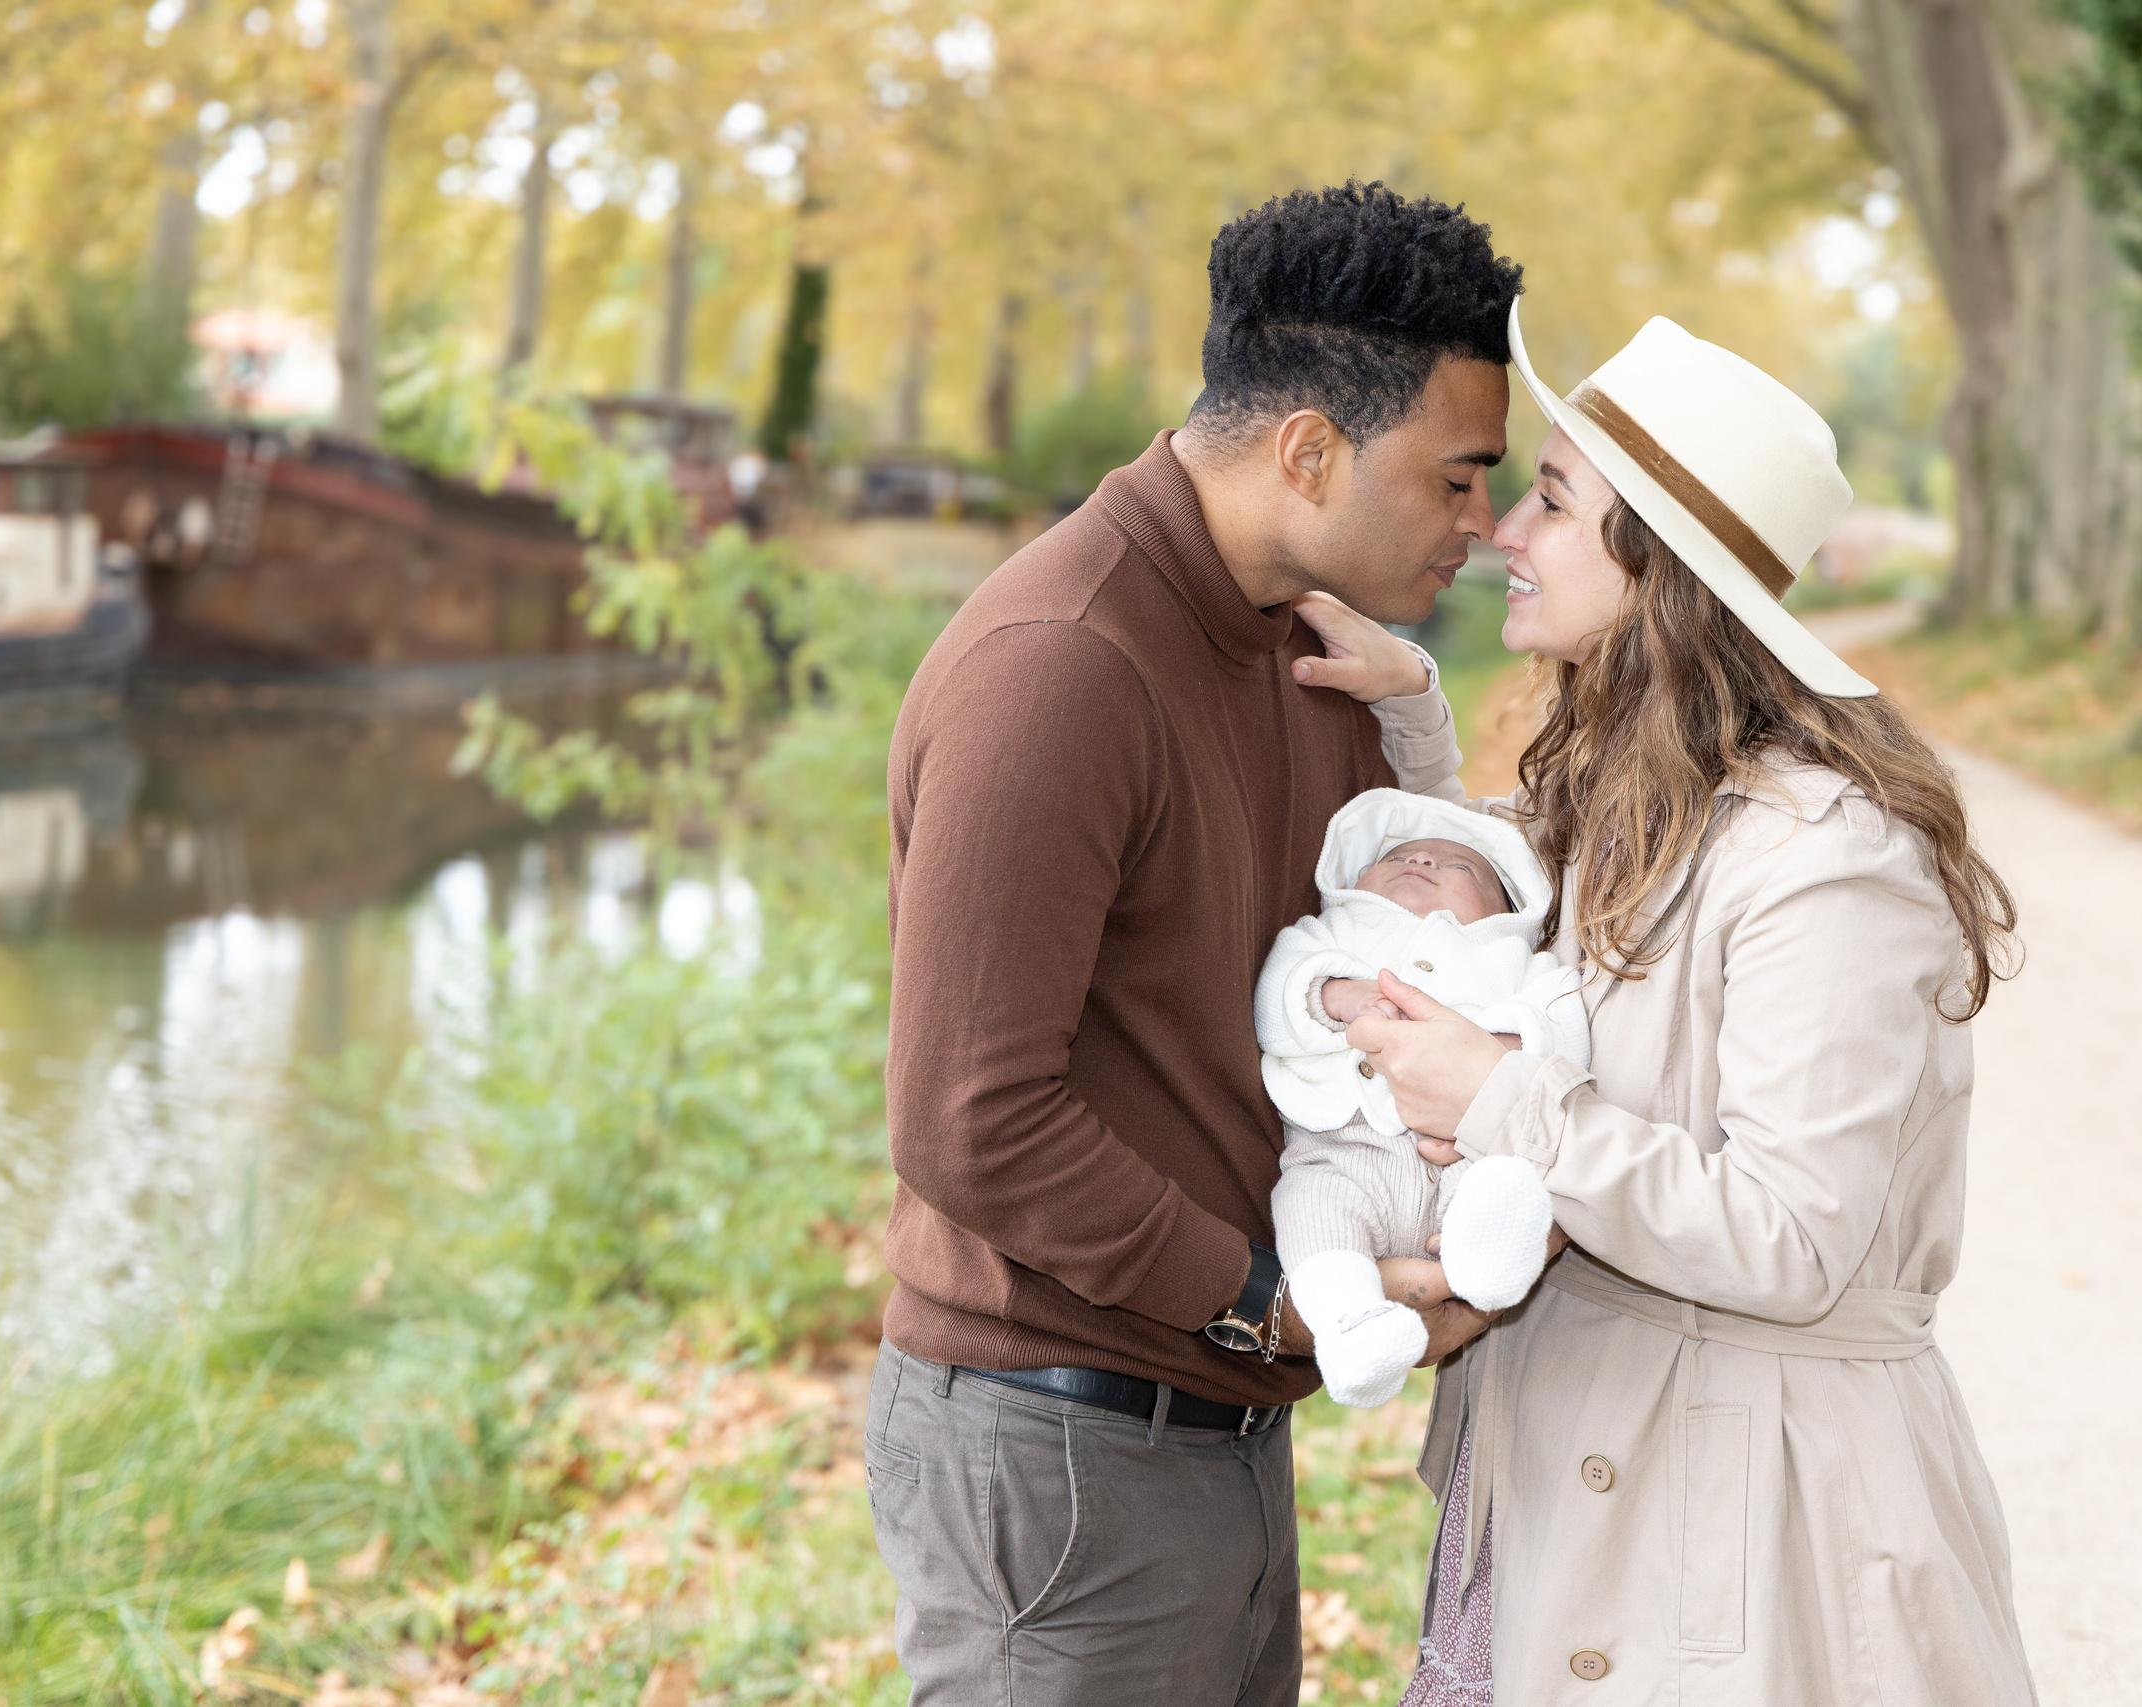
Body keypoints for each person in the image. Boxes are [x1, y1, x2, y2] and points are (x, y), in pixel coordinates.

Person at [1306, 305, 2035, 1703]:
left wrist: (1505, 1102)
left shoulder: (1830, 853)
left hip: (1753, 1529)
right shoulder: (1641, 789)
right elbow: (1519, 913)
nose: (1503, 530)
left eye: (1555, 500)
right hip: (1593, 1482)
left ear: (1664, 567)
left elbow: (1792, 1231)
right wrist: (1412, 720)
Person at [867, 183, 1521, 1706]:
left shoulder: (1301, 642)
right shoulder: (1063, 667)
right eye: (1457, 478)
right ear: (1308, 450)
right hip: (1061, 1434)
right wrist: (1262, 1294)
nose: (1481, 524)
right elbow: (968, 1114)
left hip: (1211, 1418)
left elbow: (1418, 932)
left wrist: (1413, 702)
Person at [1256, 790, 1587, 1408]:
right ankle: (1353, 1329)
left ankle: (1487, 1256)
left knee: (1499, 1178)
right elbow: (1277, 996)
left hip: (1465, 1150)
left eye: (1458, 866)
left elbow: (1566, 1024)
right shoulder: (1328, 934)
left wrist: (1502, 1043)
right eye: (1401, 855)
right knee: (1310, 1214)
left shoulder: (1512, 957)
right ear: (1354, 880)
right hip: (1340, 1152)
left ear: (1505, 908)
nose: (1424, 863)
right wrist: (1335, 995)